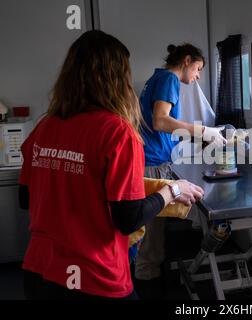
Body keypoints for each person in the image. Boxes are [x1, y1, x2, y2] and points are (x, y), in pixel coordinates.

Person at [18, 30, 204, 300]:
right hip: (92, 275)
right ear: (117, 78)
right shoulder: (117, 132)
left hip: (39, 272)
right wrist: (172, 191)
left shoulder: (44, 127)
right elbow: (128, 219)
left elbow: (27, 198)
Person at [134, 44, 226, 298]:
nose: (197, 76)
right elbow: (160, 121)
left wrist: (202, 138)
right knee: (150, 238)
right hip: (151, 164)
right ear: (187, 61)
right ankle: (148, 288)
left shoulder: (157, 77)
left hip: (153, 160)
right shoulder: (167, 78)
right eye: (197, 69)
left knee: (154, 234)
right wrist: (203, 131)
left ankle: (152, 279)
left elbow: (165, 129)